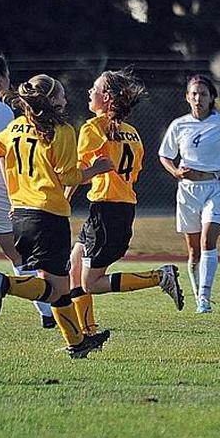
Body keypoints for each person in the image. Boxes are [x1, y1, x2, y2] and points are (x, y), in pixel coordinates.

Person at [0, 74, 114, 357]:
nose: (65, 99)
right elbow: (69, 177)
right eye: (60, 95)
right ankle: (2, 284)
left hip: (21, 215)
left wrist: (13, 192)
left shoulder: (15, 127)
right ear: (50, 101)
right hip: (48, 216)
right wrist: (97, 169)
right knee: (54, 289)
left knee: (58, 290)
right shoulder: (61, 131)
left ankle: (77, 344)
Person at [67, 70, 184, 338]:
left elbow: (79, 172)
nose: (89, 93)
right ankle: (88, 334)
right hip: (117, 207)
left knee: (90, 283)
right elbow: (133, 170)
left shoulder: (93, 127)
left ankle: (160, 276)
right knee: (74, 269)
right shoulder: (132, 132)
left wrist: (64, 200)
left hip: (107, 210)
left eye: (94, 89)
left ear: (106, 98)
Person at [159, 74, 220, 313]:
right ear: (187, 97)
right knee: (193, 251)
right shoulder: (179, 125)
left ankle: (204, 298)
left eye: (203, 94)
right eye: (194, 94)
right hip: (188, 192)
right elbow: (165, 155)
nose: (198, 98)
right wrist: (176, 172)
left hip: (216, 188)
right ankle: (196, 291)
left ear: (212, 98)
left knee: (208, 239)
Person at [0, 55, 55, 328]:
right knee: (19, 256)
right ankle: (47, 313)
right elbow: (5, 156)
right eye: (7, 76)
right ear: (0, 80)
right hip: (1, 193)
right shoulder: (4, 112)